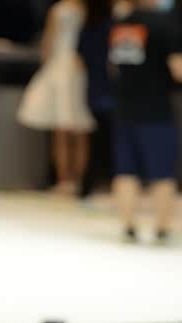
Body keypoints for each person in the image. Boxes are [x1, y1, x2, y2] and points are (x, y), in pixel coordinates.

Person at [109, 0, 182, 241]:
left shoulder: (121, 25)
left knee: (126, 170)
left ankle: (128, 225)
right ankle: (162, 227)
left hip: (125, 106)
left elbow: (114, 67)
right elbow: (180, 70)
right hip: (156, 109)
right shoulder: (164, 24)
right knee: (162, 171)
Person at [18, 0, 96, 196]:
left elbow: (48, 41)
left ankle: (65, 181)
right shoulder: (89, 9)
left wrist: (45, 65)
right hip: (80, 68)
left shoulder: (60, 9)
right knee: (79, 129)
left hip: (61, 67)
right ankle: (77, 182)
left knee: (63, 131)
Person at [78, 0, 114, 198]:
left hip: (93, 90)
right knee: (111, 141)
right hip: (111, 92)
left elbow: (81, 58)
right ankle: (110, 182)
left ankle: (88, 185)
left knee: (97, 140)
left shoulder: (87, 29)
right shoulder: (113, 28)